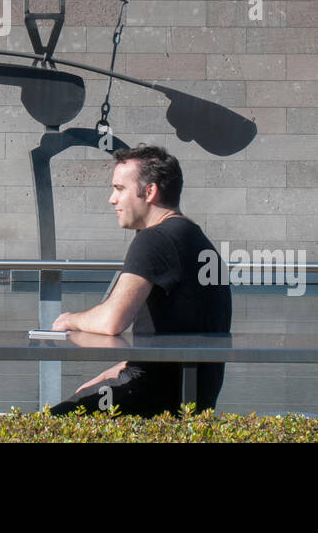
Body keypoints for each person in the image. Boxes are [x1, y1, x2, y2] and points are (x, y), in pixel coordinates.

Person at [49, 145, 231, 417]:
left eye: (120, 189)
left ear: (150, 192)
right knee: (85, 396)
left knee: (52, 422)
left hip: (153, 396)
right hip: (194, 396)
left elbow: (112, 322)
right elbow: (178, 335)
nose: (112, 199)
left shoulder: (153, 240)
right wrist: (116, 371)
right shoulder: (194, 238)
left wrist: (68, 320)